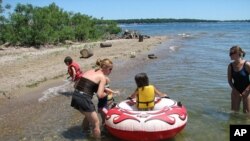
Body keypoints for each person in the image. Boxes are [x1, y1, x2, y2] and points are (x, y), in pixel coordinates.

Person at [71, 58, 113, 139]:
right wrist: (107, 93)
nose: (111, 71)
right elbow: (100, 95)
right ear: (105, 68)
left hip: (75, 96)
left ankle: (84, 131)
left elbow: (75, 85)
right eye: (110, 69)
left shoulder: (90, 71)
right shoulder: (102, 77)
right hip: (84, 98)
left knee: (88, 115)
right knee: (96, 123)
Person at [227, 45, 250, 114]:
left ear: (237, 54)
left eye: (231, 53)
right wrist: (235, 90)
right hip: (235, 91)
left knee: (247, 115)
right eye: (229, 53)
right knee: (234, 114)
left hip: (247, 92)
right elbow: (229, 81)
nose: (229, 55)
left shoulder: (247, 64)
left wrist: (247, 90)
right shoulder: (230, 66)